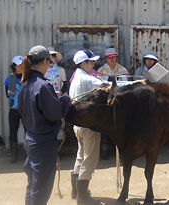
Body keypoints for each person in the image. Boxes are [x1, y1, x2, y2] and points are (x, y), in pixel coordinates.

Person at [18, 45, 70, 205]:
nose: (50, 65)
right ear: (45, 61)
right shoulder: (43, 85)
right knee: (41, 190)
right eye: (49, 62)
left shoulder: (25, 84)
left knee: (33, 185)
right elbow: (56, 113)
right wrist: (65, 100)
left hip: (31, 139)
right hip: (43, 144)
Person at [69, 50, 104, 205]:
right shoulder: (86, 79)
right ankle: (83, 198)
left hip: (77, 125)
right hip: (88, 125)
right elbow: (110, 85)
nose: (93, 64)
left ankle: (76, 192)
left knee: (81, 156)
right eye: (91, 62)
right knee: (90, 159)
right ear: (84, 63)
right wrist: (134, 83)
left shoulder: (76, 77)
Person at [97, 47, 129, 159]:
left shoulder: (122, 69)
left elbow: (125, 85)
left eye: (114, 57)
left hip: (119, 101)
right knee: (105, 125)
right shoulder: (100, 70)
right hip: (105, 102)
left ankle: (120, 151)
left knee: (119, 125)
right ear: (106, 58)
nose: (112, 60)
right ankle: (104, 150)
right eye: (110, 58)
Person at [44, 47, 67, 143]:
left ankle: (57, 149)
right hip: (46, 99)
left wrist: (60, 94)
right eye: (49, 57)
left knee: (59, 122)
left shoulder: (60, 70)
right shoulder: (43, 70)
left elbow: (65, 84)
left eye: (52, 56)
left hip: (58, 99)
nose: (51, 59)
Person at [4, 55, 24, 163]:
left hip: (26, 109)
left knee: (29, 131)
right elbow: (7, 94)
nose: (20, 66)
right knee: (13, 132)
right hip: (14, 109)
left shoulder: (27, 77)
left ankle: (29, 155)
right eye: (18, 64)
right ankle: (14, 156)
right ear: (14, 66)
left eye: (22, 64)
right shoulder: (9, 78)